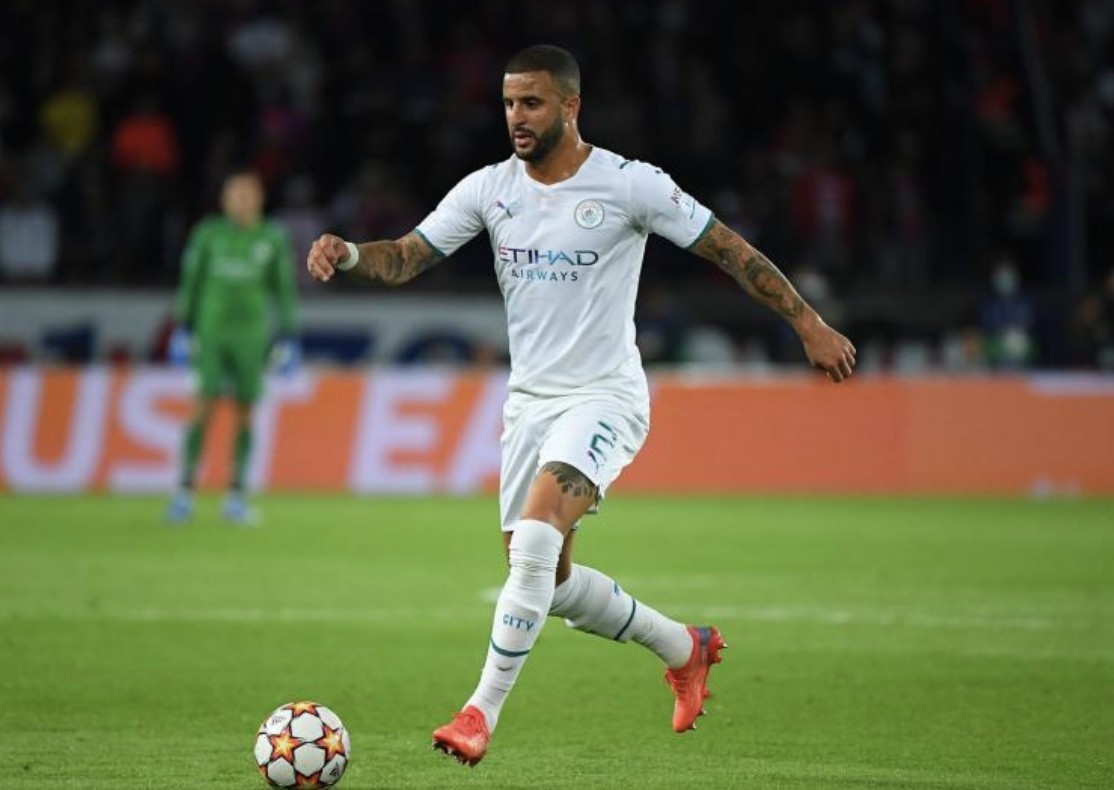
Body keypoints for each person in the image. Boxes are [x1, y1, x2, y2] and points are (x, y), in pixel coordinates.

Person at [306, 44, 856, 765]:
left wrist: (809, 323)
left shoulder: (630, 185)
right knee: (548, 582)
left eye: (532, 103)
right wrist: (349, 253)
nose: (517, 117)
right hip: (530, 405)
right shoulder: (489, 189)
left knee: (535, 539)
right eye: (509, 103)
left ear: (570, 106)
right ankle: (683, 646)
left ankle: (478, 714)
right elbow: (407, 256)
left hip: (604, 397)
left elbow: (729, 250)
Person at [165, 169, 300, 525]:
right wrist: (182, 326)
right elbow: (191, 282)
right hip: (211, 334)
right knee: (202, 406)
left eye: (246, 195)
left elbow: (283, 289)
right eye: (234, 195)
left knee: (245, 410)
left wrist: (289, 334)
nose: (240, 202)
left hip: (251, 337)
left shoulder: (272, 238)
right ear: (224, 200)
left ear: (259, 199)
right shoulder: (208, 234)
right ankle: (184, 491)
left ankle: (236, 494)